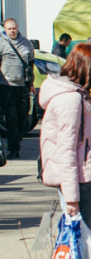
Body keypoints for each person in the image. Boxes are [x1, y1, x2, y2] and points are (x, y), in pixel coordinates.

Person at [39, 44, 91, 230]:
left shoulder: (74, 95)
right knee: (81, 238)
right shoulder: (71, 100)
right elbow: (66, 151)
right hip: (78, 179)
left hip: (78, 176)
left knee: (81, 236)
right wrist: (72, 198)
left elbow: (78, 140)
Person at [0, 18, 35, 159]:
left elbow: (31, 64)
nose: (12, 31)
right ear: (5, 30)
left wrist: (31, 83)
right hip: (7, 86)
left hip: (23, 86)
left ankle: (17, 142)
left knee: (23, 117)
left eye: (14, 28)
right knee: (11, 118)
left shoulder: (27, 44)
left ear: (17, 27)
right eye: (9, 29)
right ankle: (14, 148)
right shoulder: (2, 43)